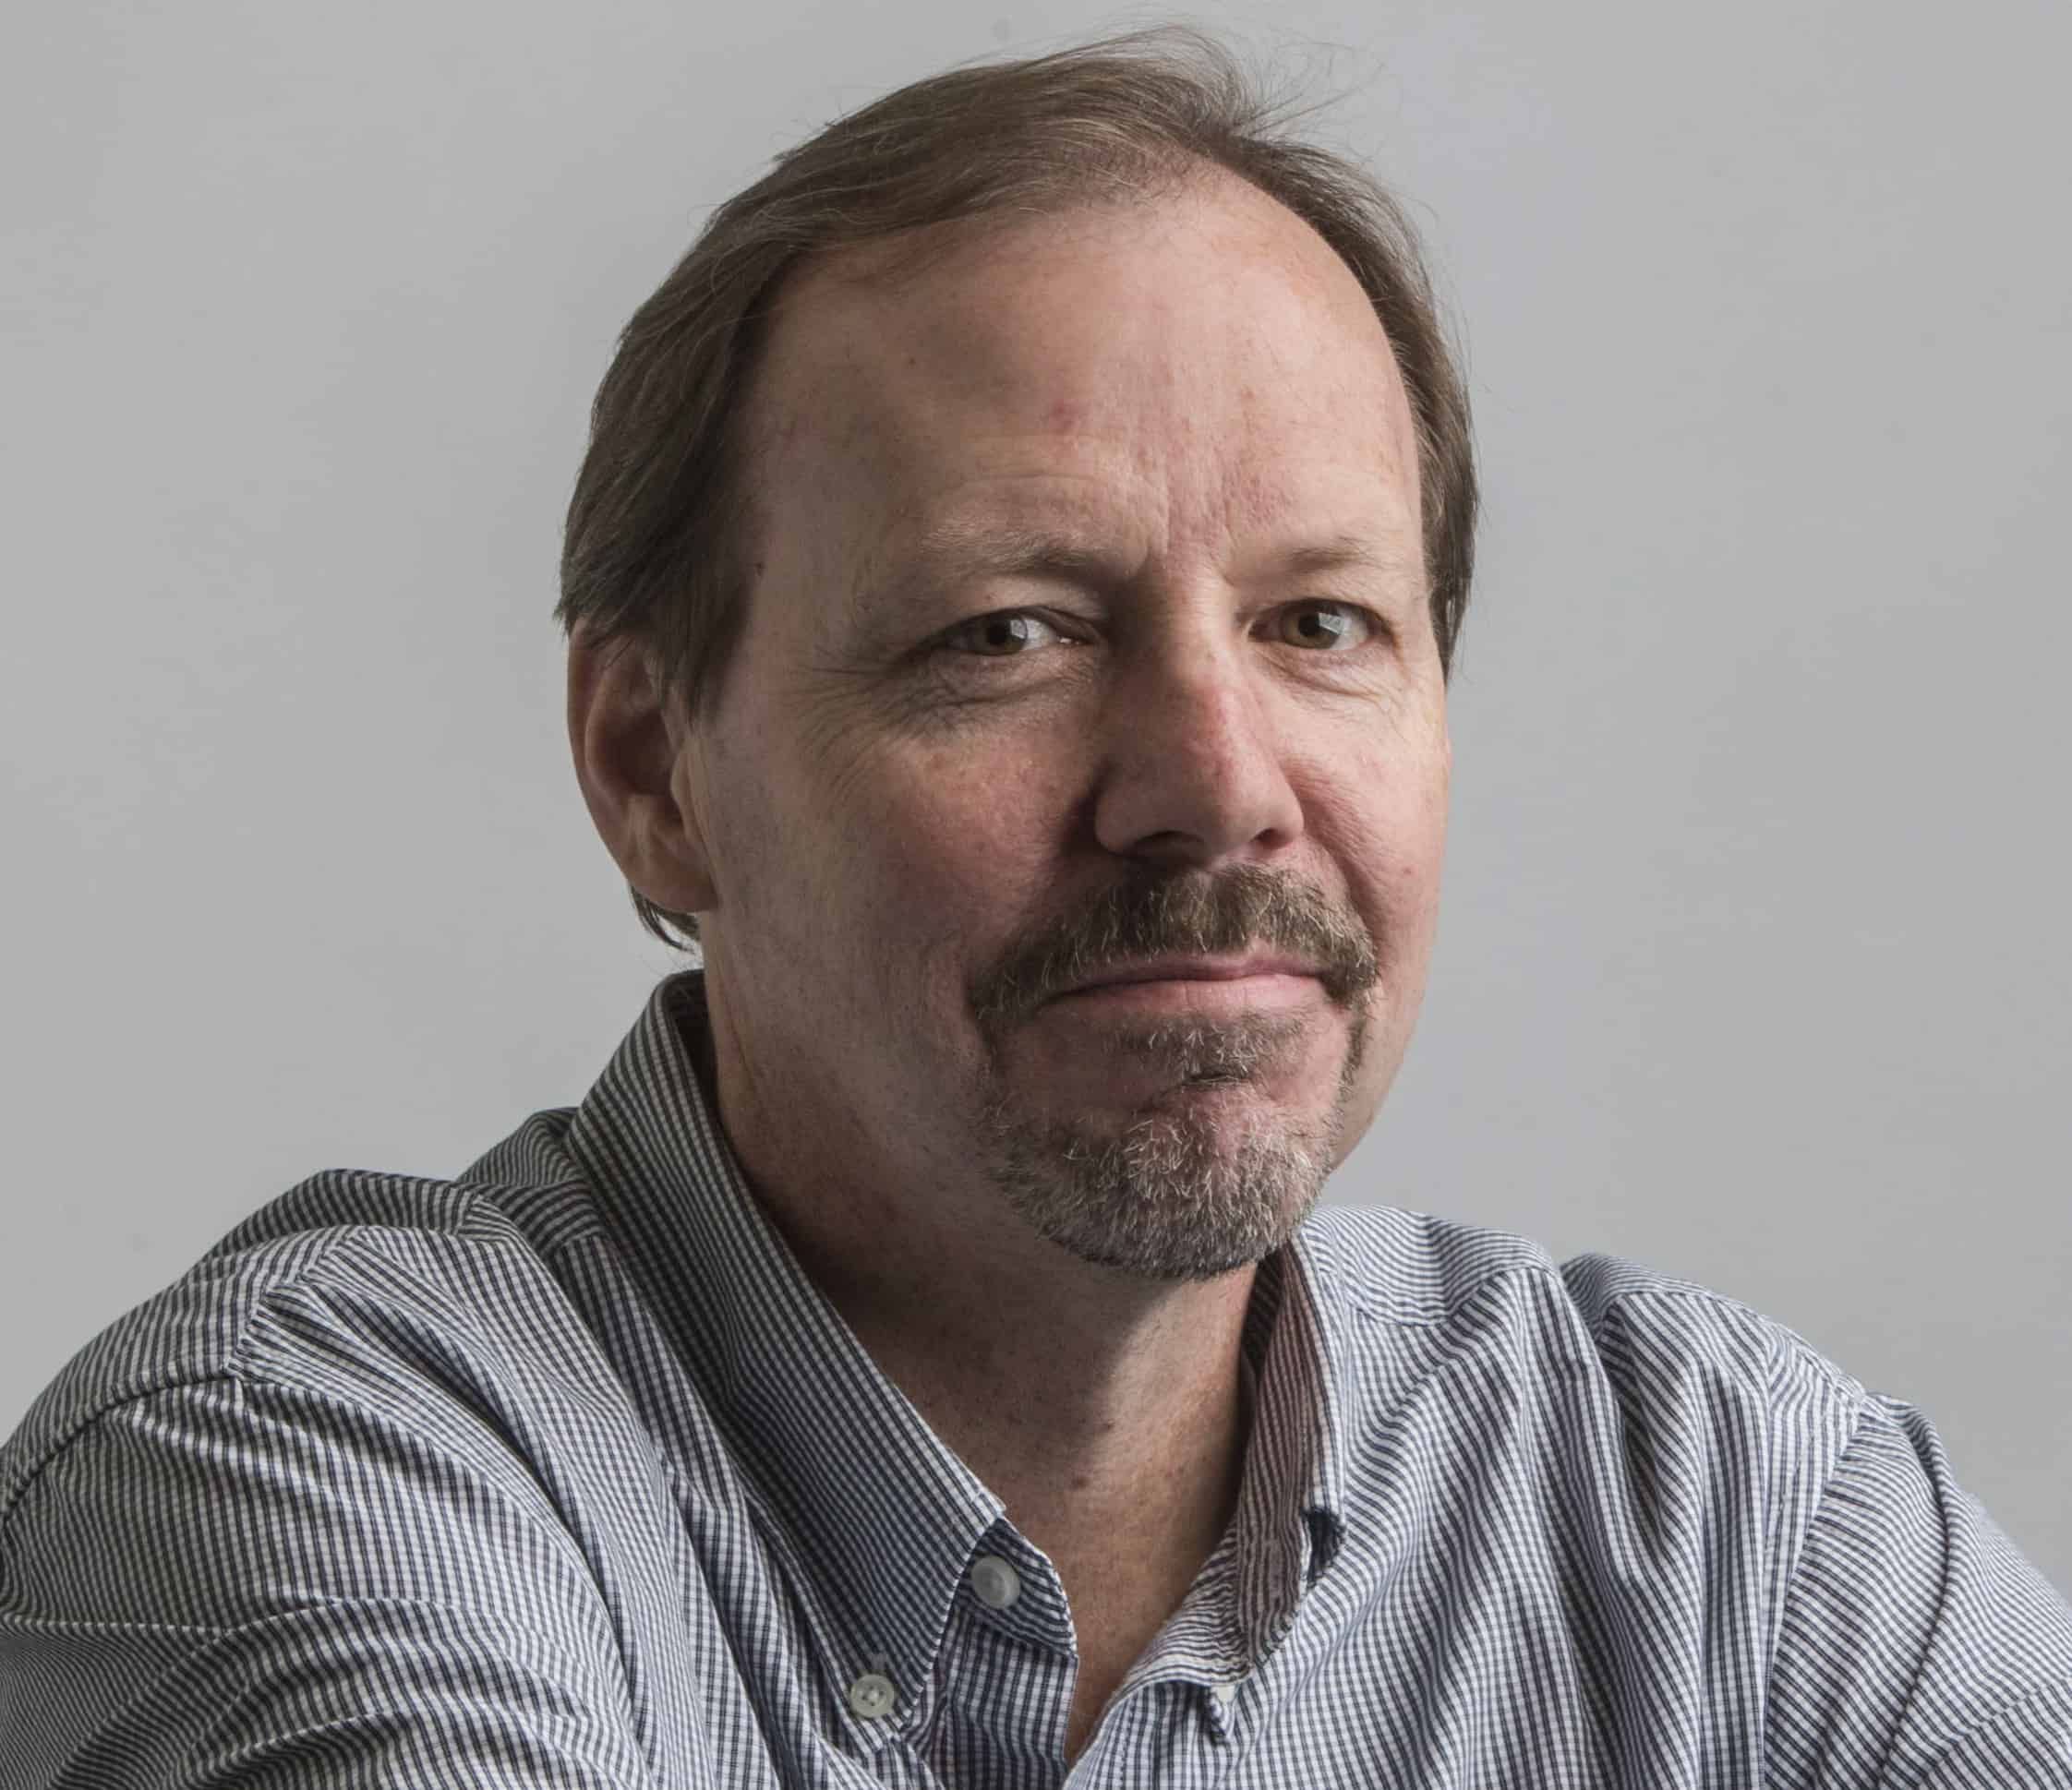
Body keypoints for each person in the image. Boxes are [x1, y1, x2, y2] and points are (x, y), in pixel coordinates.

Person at [4, 24, 2068, 1787]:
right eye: (1010, 631)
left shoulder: (1728, 1534)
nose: (1217, 784)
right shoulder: (287, 1480)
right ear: (654, 769)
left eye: (1322, 622)